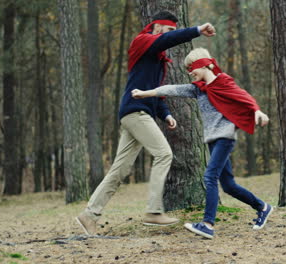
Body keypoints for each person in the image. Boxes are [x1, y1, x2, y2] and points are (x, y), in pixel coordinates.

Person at [76, 12, 216, 236]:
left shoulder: (158, 60)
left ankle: (89, 215)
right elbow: (165, 41)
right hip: (135, 112)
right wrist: (197, 30)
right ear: (158, 27)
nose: (170, 37)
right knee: (164, 154)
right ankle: (153, 211)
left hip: (138, 114)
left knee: (118, 171)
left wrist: (166, 114)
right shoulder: (142, 41)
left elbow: (156, 92)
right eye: (169, 31)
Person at [131, 48, 273, 239]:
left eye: (192, 68)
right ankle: (262, 207)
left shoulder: (223, 81)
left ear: (204, 65)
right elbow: (171, 89)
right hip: (212, 139)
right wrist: (145, 93)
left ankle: (207, 224)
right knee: (228, 185)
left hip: (225, 136)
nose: (190, 73)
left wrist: (257, 111)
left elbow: (243, 96)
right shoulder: (198, 89)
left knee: (209, 177)